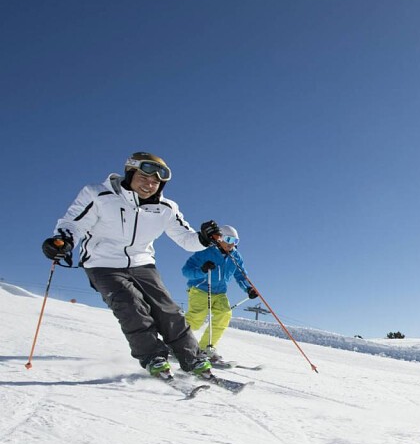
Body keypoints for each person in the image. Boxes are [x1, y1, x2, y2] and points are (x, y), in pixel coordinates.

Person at [42, 152, 225, 378]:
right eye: (144, 178)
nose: (149, 185)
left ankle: (192, 358)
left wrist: (203, 238)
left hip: (142, 263)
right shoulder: (99, 195)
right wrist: (64, 240)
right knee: (131, 306)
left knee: (168, 310)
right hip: (103, 263)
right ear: (129, 173)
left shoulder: (166, 208)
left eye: (156, 182)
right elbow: (72, 223)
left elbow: (186, 239)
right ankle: (154, 358)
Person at [181, 225, 258, 363]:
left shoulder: (235, 256)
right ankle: (178, 344)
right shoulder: (205, 251)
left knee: (224, 315)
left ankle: (205, 348)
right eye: (229, 239)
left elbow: (241, 275)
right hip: (200, 288)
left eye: (236, 241)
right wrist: (202, 270)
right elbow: (186, 270)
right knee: (196, 318)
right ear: (219, 238)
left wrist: (249, 288)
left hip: (220, 291)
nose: (232, 244)